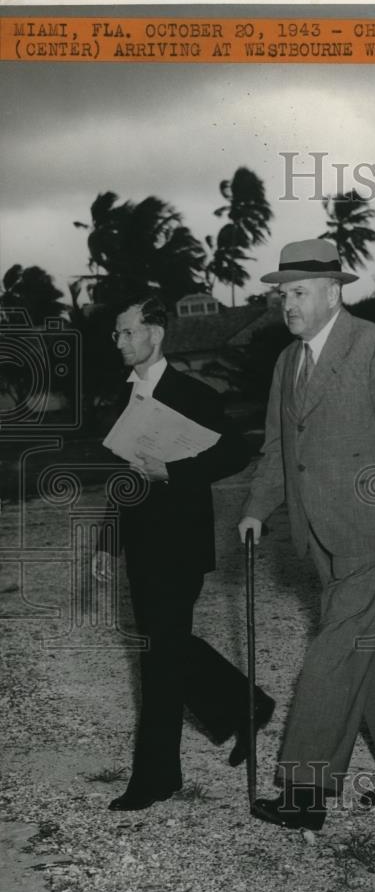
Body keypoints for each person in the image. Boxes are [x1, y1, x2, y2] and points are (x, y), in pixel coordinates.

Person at [238, 239, 375, 832]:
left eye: (297, 293)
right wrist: (255, 509)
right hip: (316, 532)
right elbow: (278, 449)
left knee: (333, 650)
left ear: (333, 291)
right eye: (282, 295)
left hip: (371, 532)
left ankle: (304, 790)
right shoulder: (287, 361)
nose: (287, 305)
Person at [92, 296, 274, 811]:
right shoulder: (123, 397)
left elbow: (236, 452)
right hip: (142, 543)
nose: (120, 342)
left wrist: (175, 470)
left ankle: (154, 778)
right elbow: (122, 479)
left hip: (179, 544)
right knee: (163, 647)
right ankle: (247, 707)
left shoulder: (191, 393)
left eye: (127, 332)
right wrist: (109, 542)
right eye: (116, 334)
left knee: (158, 657)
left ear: (156, 333)